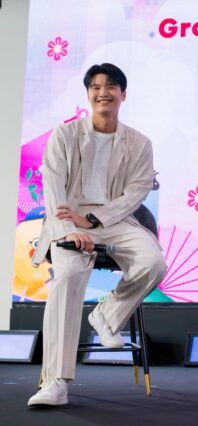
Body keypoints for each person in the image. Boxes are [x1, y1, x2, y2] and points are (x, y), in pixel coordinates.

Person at [28, 63, 167, 407]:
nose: (103, 93)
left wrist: (93, 220)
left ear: (123, 94)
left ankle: (107, 315)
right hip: (67, 217)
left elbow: (136, 193)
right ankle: (55, 381)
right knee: (68, 276)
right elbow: (53, 190)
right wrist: (72, 229)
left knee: (153, 262)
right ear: (88, 94)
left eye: (111, 87)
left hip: (114, 218)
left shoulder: (139, 142)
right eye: (96, 87)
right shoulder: (65, 135)